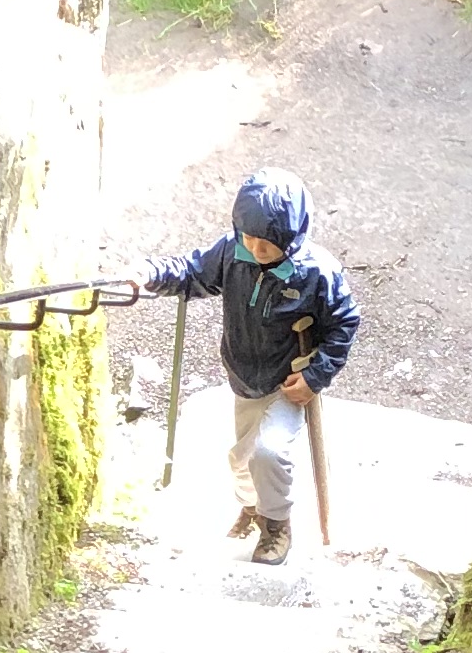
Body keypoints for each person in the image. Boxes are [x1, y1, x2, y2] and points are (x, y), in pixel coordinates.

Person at [143, 169, 361, 565]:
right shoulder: (233, 253)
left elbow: (344, 321)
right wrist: (151, 275)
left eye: (267, 243)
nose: (256, 250)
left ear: (292, 237)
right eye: (249, 238)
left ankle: (276, 526)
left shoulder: (317, 272)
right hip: (244, 376)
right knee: (242, 460)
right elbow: (192, 272)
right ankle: (253, 507)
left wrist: (315, 376)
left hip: (288, 381)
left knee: (268, 453)